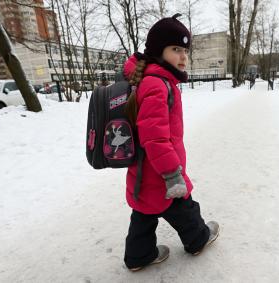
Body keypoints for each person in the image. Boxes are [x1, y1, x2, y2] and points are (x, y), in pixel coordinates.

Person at [122, 14, 219, 272]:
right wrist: (172, 174)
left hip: (144, 171)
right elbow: (154, 138)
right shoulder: (157, 85)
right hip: (162, 174)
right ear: (158, 50)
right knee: (184, 207)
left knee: (143, 213)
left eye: (185, 50)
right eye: (176, 49)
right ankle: (198, 239)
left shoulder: (152, 81)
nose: (183, 57)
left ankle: (138, 256)